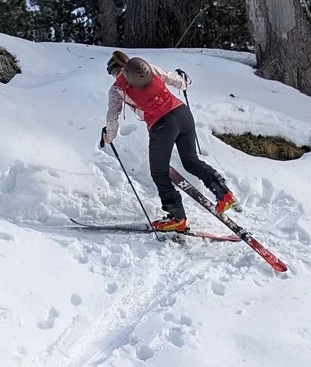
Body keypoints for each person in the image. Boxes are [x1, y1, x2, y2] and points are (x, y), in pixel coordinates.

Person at [99, 50, 235, 232]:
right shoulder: (149, 69)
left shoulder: (116, 89)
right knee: (191, 161)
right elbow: (176, 80)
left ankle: (177, 218)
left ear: (114, 71)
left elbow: (112, 117)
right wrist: (184, 82)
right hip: (183, 113)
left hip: (162, 125)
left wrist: (109, 136)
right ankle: (224, 194)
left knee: (159, 172)